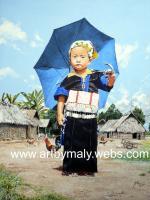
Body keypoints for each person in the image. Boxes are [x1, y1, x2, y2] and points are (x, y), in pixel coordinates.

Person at [54, 40, 115, 175]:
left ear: (90, 59)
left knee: (89, 143)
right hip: (72, 117)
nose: (78, 60)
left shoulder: (95, 76)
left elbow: (108, 86)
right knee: (72, 143)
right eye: (74, 57)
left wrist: (111, 79)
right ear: (70, 59)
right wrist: (59, 114)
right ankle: (70, 169)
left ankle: (88, 169)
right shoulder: (68, 79)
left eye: (82, 57)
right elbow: (61, 98)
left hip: (90, 117)